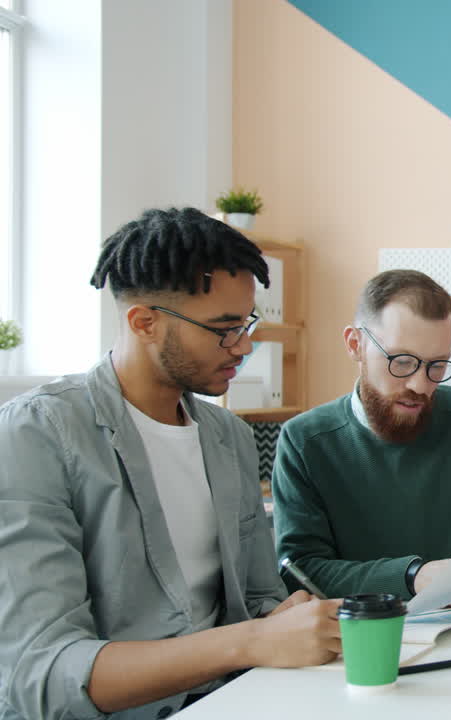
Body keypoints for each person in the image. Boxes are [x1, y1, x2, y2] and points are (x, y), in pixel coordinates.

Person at [0, 208, 341, 720]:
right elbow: (43, 674)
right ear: (145, 323)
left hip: (232, 701)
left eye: (247, 323)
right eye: (224, 329)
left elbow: (257, 599)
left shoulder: (229, 436)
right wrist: (252, 641)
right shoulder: (36, 435)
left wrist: (289, 619)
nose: (244, 346)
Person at [271, 269, 451, 602]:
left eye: (437, 365)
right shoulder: (305, 441)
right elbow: (301, 572)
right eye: (401, 362)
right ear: (355, 345)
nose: (420, 385)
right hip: (364, 637)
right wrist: (412, 576)